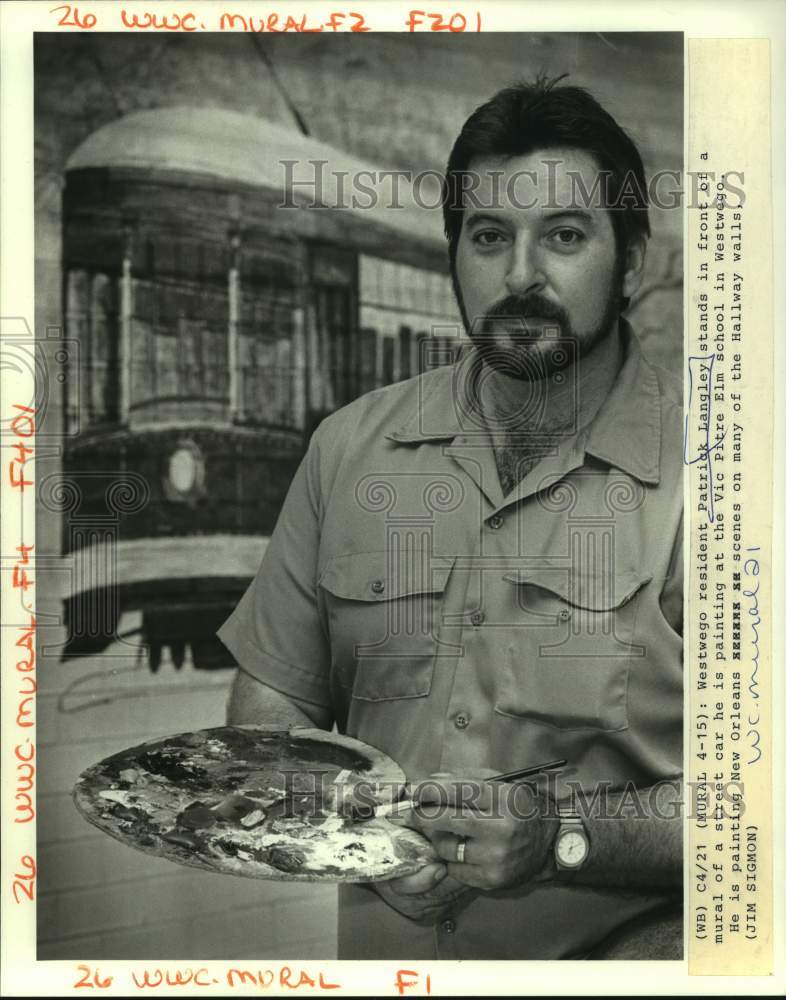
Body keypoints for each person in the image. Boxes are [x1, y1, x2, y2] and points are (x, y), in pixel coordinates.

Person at [218, 77, 684, 960]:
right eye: (488, 237)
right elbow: (270, 702)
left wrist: (559, 838)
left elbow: (761, 806)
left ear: (628, 260)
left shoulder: (732, 476)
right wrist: (353, 828)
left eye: (565, 236)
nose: (520, 276)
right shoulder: (348, 448)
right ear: (454, 257)